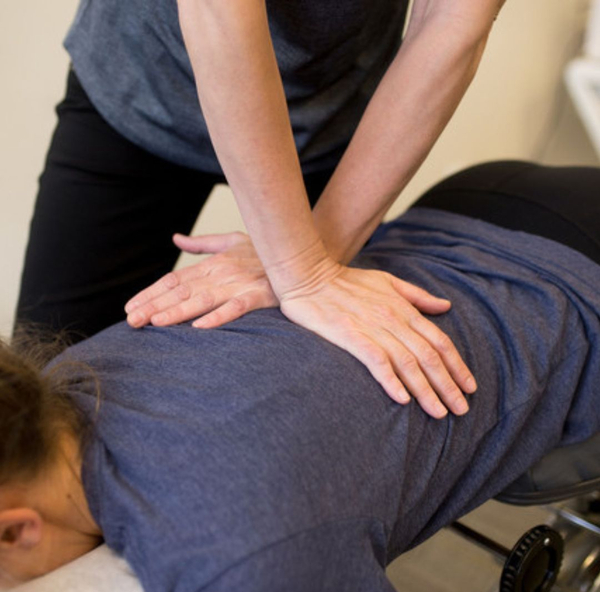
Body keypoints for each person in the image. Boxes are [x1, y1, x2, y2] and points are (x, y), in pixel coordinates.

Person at [3, 162, 600, 592]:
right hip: (473, 200)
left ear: (14, 532)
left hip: (580, 279)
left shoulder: (243, 565)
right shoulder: (60, 381)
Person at [15, 0, 508, 417]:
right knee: (48, 389)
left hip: (333, 103)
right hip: (141, 81)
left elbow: (452, 21)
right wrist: (303, 271)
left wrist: (311, 261)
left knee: (314, 391)